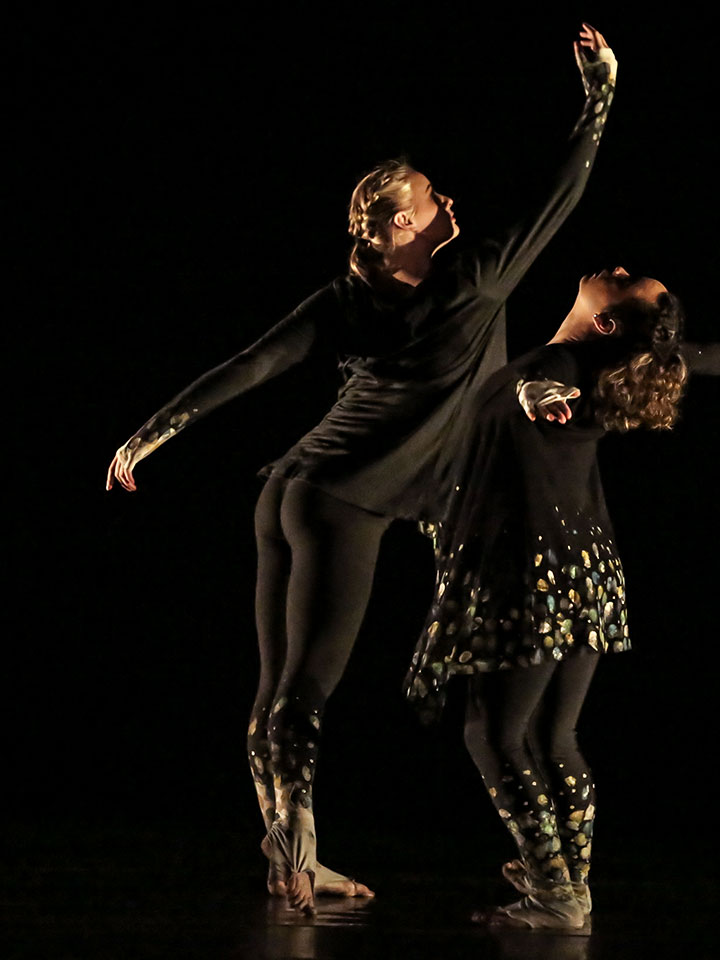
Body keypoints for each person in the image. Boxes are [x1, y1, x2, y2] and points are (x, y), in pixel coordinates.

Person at [105, 25, 621, 913]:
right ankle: (297, 868)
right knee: (301, 692)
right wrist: (599, 94)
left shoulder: (354, 294)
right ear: (396, 227)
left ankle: (291, 864)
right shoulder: (474, 282)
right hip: (343, 501)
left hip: (291, 493)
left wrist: (149, 436)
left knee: (279, 692)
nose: (447, 199)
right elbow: (559, 197)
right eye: (428, 198)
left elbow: (251, 365)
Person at [403, 267, 720, 928]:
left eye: (625, 282)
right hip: (590, 574)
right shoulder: (627, 360)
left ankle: (554, 889)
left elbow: (543, 378)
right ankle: (570, 884)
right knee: (552, 733)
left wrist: (538, 392)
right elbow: (712, 357)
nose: (618, 268)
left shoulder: (563, 360)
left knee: (493, 731)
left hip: (533, 571)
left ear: (605, 320)